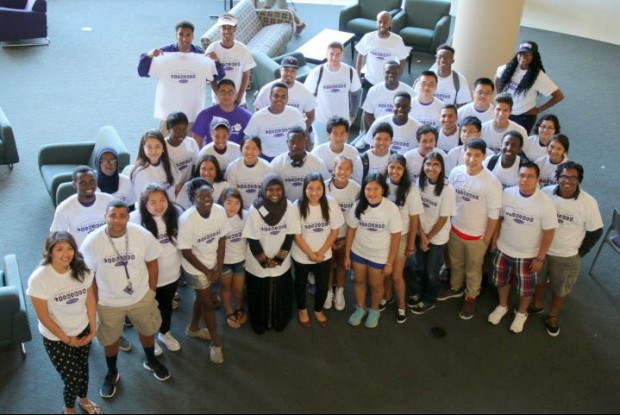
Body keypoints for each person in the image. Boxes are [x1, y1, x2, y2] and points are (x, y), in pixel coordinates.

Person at [81, 200, 169, 399]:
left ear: (128, 217)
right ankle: (112, 372)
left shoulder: (141, 235)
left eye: (122, 216)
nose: (117, 220)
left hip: (140, 297)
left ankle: (150, 360)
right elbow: (90, 277)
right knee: (110, 340)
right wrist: (95, 304)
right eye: (112, 215)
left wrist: (151, 292)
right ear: (105, 217)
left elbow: (153, 263)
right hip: (108, 303)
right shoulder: (92, 242)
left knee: (147, 331)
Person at [27, 231, 101, 415]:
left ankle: (83, 399)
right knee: (72, 378)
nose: (66, 254)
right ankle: (68, 408)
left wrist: (93, 328)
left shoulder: (81, 270)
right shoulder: (39, 279)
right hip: (56, 338)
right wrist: (68, 340)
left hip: (83, 329)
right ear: (49, 252)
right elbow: (44, 317)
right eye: (59, 249)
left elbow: (90, 300)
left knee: (83, 369)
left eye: (70, 248)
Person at [530, 161, 604, 336]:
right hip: (542, 251)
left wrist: (580, 252)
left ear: (579, 180)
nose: (567, 181)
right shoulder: (545, 193)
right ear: (557, 177)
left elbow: (596, 231)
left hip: (567, 255)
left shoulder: (588, 202)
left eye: (573, 178)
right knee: (538, 280)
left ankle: (553, 315)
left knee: (561, 287)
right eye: (563, 176)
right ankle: (537, 303)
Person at [487, 162, 558, 334]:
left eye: (530, 176)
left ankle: (521, 313)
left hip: (528, 255)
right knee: (501, 281)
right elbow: (500, 219)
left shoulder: (545, 203)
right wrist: (495, 240)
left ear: (538, 179)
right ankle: (503, 306)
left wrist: (540, 258)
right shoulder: (507, 193)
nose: (525, 179)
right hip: (504, 248)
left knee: (526, 289)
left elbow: (549, 233)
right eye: (522, 175)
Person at [437, 138, 502, 320]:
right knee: (456, 263)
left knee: (473, 270)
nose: (471, 159)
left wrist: (486, 240)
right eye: (468, 154)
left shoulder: (491, 183)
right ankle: (456, 287)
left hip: (477, 237)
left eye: (477, 155)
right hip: (455, 229)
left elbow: (494, 215)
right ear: (463, 153)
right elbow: (451, 201)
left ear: (484, 156)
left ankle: (471, 296)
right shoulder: (456, 172)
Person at [137, 20, 224, 134]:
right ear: (176, 35)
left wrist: (216, 61)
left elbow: (217, 76)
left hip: (192, 114)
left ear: (193, 36)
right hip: (168, 115)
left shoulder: (200, 55)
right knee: (165, 148)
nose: (184, 39)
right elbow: (142, 71)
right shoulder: (164, 54)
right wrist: (148, 55)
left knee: (191, 148)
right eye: (181, 35)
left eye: (188, 35)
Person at [178, 178, 230, 363]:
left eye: (209, 195)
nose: (207, 199)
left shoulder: (219, 211)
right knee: (208, 304)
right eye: (201, 196)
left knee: (203, 298)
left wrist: (219, 266)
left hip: (213, 264)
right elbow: (185, 251)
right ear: (193, 198)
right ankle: (216, 344)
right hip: (194, 268)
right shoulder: (187, 220)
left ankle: (193, 328)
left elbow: (223, 239)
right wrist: (207, 271)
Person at [242, 173, 301, 334]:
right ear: (263, 190)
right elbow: (252, 239)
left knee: (281, 291)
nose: (274, 193)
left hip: (280, 260)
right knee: (258, 293)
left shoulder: (289, 207)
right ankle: (260, 325)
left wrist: (278, 259)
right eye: (270, 190)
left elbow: (290, 234)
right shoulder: (256, 208)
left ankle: (279, 321)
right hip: (258, 260)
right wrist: (264, 261)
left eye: (278, 189)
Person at [130, 184, 183, 354]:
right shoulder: (135, 220)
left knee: (166, 306)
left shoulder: (176, 213)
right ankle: (150, 337)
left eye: (162, 200)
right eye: (152, 202)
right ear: (144, 204)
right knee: (148, 309)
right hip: (146, 278)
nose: (158, 205)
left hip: (172, 273)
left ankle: (164, 333)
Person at [345, 172, 402, 328]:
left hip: (379, 256)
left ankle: (374, 310)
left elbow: (396, 237)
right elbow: (351, 230)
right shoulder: (359, 205)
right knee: (359, 281)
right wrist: (347, 256)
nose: (371, 193)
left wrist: (390, 262)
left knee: (376, 286)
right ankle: (360, 308)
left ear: (383, 190)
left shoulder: (391, 209)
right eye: (368, 189)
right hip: (359, 252)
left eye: (376, 189)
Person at [292, 173, 344, 327]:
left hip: (324, 255)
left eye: (318, 188)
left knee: (322, 285)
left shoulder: (331, 203)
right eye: (310, 188)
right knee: (300, 284)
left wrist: (320, 253)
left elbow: (335, 231)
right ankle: (302, 309)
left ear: (323, 188)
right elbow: (297, 235)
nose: (314, 192)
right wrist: (310, 254)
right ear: (304, 189)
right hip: (302, 255)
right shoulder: (297, 205)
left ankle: (318, 309)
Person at [408, 152, 456, 315]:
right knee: (419, 267)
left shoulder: (448, 190)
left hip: (437, 237)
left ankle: (430, 299)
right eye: (428, 164)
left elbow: (443, 218)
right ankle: (420, 293)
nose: (431, 168)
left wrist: (427, 238)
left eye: (436, 165)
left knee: (431, 271)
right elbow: (417, 211)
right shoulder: (419, 183)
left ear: (442, 168)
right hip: (421, 233)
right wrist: (421, 235)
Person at [381, 154, 423, 323]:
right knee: (385, 272)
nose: (395, 171)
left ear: (404, 170)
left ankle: (401, 305)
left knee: (397, 275)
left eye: (399, 168)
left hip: (402, 237)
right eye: (392, 167)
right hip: (383, 236)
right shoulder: (382, 184)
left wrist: (411, 243)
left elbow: (414, 219)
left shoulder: (411, 189)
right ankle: (387, 296)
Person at [496, 41, 565, 133]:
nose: (523, 56)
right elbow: (497, 77)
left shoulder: (539, 76)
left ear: (534, 56)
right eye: (521, 53)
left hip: (523, 117)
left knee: (518, 143)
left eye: (528, 54)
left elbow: (559, 96)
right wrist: (499, 96)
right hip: (505, 112)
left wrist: (538, 110)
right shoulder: (509, 67)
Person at [304, 41, 362, 145]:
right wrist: (311, 116)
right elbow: (307, 96)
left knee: (341, 150)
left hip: (343, 120)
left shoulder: (350, 71)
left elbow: (356, 94)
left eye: (338, 54)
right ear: (326, 54)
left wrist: (353, 114)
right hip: (321, 120)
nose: (334, 58)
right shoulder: (316, 73)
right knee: (320, 151)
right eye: (331, 54)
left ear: (342, 55)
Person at [324, 156, 361, 311]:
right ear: (333, 169)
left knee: (341, 265)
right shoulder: (324, 187)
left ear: (352, 171)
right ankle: (328, 291)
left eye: (347, 168)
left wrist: (347, 239)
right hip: (326, 236)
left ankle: (340, 290)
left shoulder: (356, 189)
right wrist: (329, 238)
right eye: (340, 168)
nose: (343, 172)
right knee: (327, 266)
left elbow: (358, 216)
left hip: (346, 235)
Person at [50, 166, 115, 247]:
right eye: (82, 183)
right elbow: (56, 237)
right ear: (74, 184)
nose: (88, 186)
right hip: (81, 253)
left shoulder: (109, 200)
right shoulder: (64, 208)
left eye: (92, 181)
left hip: (108, 248)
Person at [244, 82, 306, 161]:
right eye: (276, 96)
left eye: (283, 97)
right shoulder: (258, 117)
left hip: (290, 157)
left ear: (287, 99)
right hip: (267, 158)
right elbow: (248, 138)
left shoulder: (295, 113)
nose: (279, 99)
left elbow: (303, 133)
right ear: (270, 97)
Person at [254, 56, 317, 134]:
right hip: (272, 133)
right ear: (280, 70)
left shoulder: (304, 91)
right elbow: (257, 114)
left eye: (293, 71)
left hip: (293, 136)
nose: (289, 74)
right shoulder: (266, 90)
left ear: (297, 72)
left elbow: (311, 116)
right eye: (286, 70)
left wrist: (301, 132)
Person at [355, 11, 409, 102]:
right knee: (363, 110)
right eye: (380, 21)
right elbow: (361, 56)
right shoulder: (368, 37)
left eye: (385, 22)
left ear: (390, 23)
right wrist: (358, 76)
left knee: (384, 110)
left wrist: (398, 77)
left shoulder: (397, 40)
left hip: (387, 83)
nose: (382, 24)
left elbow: (403, 59)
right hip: (369, 81)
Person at [205, 14, 256, 106]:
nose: (226, 31)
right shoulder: (211, 49)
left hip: (239, 101)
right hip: (218, 102)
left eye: (230, 27)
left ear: (235, 29)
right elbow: (211, 78)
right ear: (219, 29)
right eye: (223, 27)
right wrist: (219, 97)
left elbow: (246, 76)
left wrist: (238, 99)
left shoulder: (243, 49)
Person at [270, 126, 329, 202]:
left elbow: (327, 185)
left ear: (305, 141)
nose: (295, 145)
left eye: (299, 141)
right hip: (285, 207)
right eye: (292, 141)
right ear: (287, 142)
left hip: (310, 206)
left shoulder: (317, 163)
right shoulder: (277, 163)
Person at [217, 187, 249, 329]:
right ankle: (230, 310)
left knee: (239, 289)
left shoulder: (245, 216)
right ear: (222, 203)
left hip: (241, 259)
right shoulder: (217, 219)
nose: (233, 207)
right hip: (224, 262)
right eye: (229, 202)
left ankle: (239, 307)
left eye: (237, 203)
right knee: (226, 288)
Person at [359, 61, 416, 136]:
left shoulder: (410, 92)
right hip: (378, 132)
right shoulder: (374, 90)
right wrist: (371, 134)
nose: (391, 75)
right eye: (387, 72)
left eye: (394, 72)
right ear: (383, 73)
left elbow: (414, 114)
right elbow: (367, 115)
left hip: (401, 132)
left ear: (399, 73)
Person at [192, 79, 252, 147]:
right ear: (217, 94)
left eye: (230, 92)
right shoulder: (205, 115)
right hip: (211, 156)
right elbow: (196, 142)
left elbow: (252, 142)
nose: (226, 96)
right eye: (223, 92)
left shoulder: (247, 116)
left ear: (236, 95)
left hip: (236, 156)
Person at [130, 130, 182, 203]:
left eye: (157, 146)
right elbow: (142, 202)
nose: (153, 151)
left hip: (171, 208)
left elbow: (177, 187)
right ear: (143, 148)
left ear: (163, 148)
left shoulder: (169, 163)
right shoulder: (141, 173)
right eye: (149, 147)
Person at [311, 116, 364, 185]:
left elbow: (357, 179)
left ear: (347, 134)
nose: (339, 137)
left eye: (342, 133)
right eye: (335, 134)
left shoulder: (353, 152)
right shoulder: (317, 152)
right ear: (328, 135)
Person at [224, 136, 274, 209]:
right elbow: (232, 194)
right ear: (241, 149)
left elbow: (268, 193)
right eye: (247, 148)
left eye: (254, 148)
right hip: (239, 208)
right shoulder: (232, 167)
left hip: (261, 207)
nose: (250, 152)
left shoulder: (267, 167)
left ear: (259, 151)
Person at [164, 111, 199, 184]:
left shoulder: (191, 143)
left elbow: (195, 165)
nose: (181, 133)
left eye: (184, 129)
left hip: (188, 185)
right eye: (177, 130)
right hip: (170, 187)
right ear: (168, 129)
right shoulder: (162, 147)